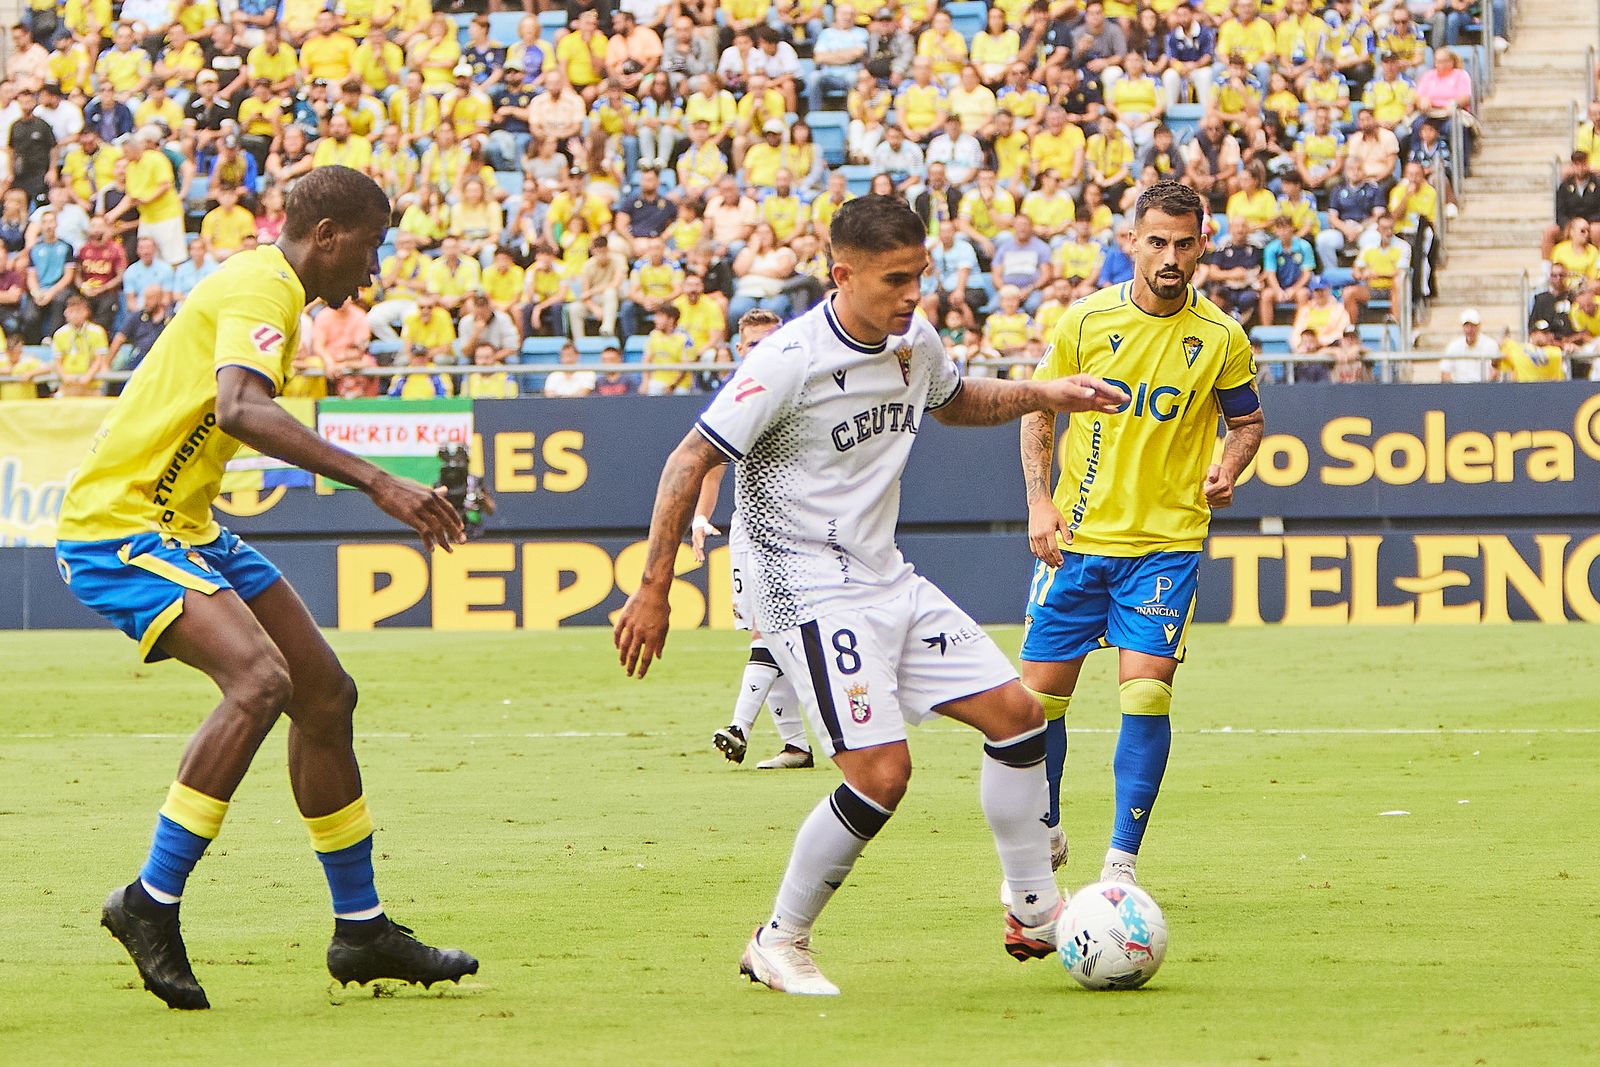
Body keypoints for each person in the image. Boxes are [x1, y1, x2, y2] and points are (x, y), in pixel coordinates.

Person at [613, 194, 1129, 996]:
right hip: (806, 590)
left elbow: (955, 401)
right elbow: (688, 460)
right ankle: (778, 939)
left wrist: (1044, 393)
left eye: (919, 276)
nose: (912, 294)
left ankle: (1034, 910)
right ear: (842, 275)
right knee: (882, 774)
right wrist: (654, 588)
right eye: (895, 280)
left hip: (885, 575)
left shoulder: (913, 339)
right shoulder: (788, 358)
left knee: (1018, 716)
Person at [53, 166, 477, 1011]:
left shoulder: (270, 291)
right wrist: (379, 480)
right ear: (326, 235)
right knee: (260, 680)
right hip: (118, 525)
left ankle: (361, 928)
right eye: (371, 245)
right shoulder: (263, 285)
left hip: (185, 524)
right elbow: (242, 408)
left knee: (324, 695)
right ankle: (149, 901)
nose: (374, 269)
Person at [1018, 181, 1264, 891]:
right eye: (1157, 241)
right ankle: (1045, 825)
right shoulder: (1086, 322)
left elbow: (1247, 421)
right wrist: (1039, 503)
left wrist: (1229, 466)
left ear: (1203, 245)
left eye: (1184, 244)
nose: (1170, 257)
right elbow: (1038, 411)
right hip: (1077, 539)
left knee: (1148, 695)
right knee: (1038, 707)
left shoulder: (1221, 336)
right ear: (1132, 241)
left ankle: (1120, 865)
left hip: (1166, 543)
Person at [692, 308, 814, 771]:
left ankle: (739, 726)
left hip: (792, 526)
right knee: (766, 634)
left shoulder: (803, 392)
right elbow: (713, 462)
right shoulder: (737, 397)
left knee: (771, 629)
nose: (765, 351)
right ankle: (795, 746)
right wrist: (701, 517)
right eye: (755, 344)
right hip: (748, 527)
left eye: (772, 341)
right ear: (739, 350)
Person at [1440, 307, 1498, 383]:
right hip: (1460, 388)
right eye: (1466, 325)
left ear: (1479, 326)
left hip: (1484, 388)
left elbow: (1495, 371)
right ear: (1462, 327)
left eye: (1473, 325)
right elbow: (1445, 372)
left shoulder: (1491, 345)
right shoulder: (1454, 346)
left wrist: (1485, 387)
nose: (1470, 329)